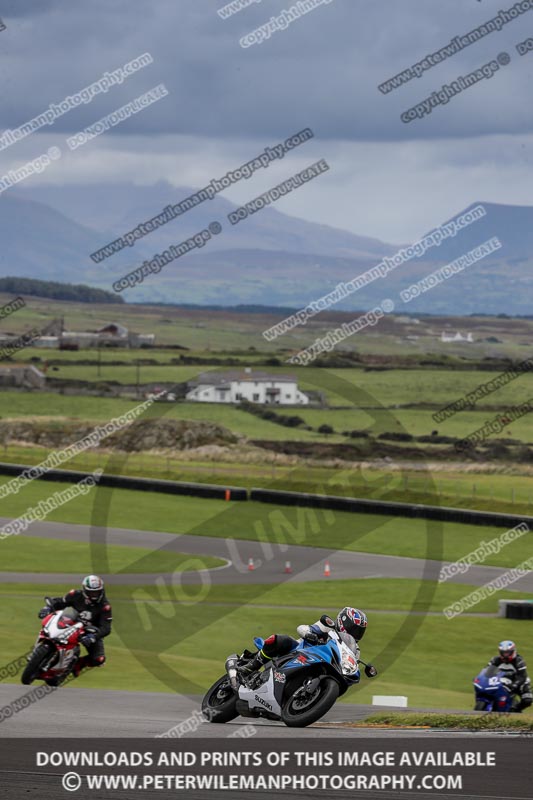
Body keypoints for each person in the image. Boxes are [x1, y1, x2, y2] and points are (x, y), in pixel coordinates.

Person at [239, 607, 377, 679]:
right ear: (343, 621)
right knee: (281, 640)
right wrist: (310, 634)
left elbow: (350, 666)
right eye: (354, 628)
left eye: (359, 631)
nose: (356, 633)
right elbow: (302, 628)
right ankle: (252, 665)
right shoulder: (328, 626)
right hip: (299, 651)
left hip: (322, 667)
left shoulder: (355, 650)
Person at [38, 575, 112, 678]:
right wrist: (48, 607)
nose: (94, 595)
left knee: (99, 659)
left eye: (97, 592)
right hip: (71, 622)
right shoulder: (75, 595)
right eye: (91, 592)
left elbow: (106, 628)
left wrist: (93, 637)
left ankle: (76, 665)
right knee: (50, 627)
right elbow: (60, 602)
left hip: (89, 631)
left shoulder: (105, 606)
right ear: (85, 590)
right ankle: (40, 645)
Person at [488, 640, 532, 712]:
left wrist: (514, 685)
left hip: (520, 682)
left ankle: (516, 710)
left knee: (527, 700)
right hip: (504, 682)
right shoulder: (495, 660)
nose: (505, 655)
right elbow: (488, 672)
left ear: (513, 651)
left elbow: (522, 676)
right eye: (503, 653)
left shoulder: (519, 661)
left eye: (507, 652)